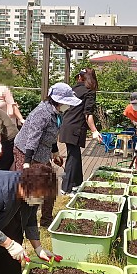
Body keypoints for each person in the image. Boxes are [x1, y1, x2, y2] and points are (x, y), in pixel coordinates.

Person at [13, 82, 82, 227]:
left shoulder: (57, 113)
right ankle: (20, 222)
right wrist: (27, 163)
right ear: (58, 100)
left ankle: (46, 220)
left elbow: (50, 135)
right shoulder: (42, 113)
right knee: (28, 188)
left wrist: (55, 152)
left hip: (43, 152)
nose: (68, 105)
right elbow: (33, 138)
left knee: (50, 185)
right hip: (26, 151)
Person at [59, 68, 103, 195]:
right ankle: (66, 189)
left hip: (66, 125)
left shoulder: (72, 89)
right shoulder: (89, 91)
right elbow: (88, 114)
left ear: (80, 77)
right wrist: (94, 131)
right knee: (73, 158)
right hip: (75, 128)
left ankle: (76, 185)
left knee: (75, 156)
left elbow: (63, 107)